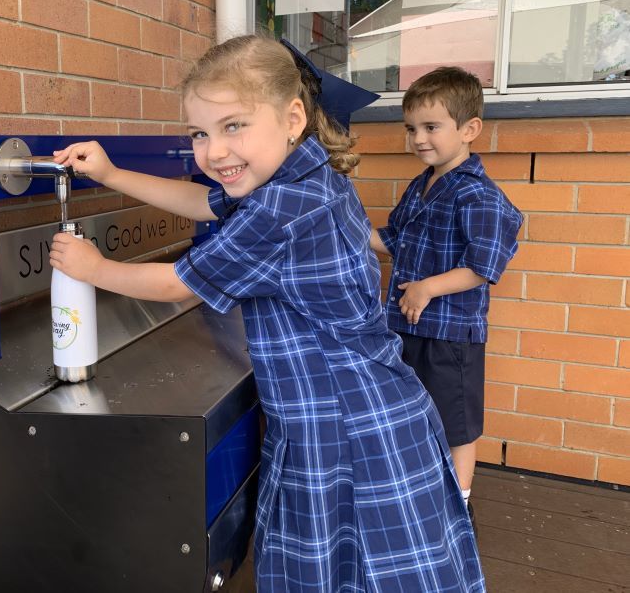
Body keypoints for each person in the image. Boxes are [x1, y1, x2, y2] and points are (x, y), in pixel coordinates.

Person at [50, 35, 485, 592]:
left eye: (234, 126)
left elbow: (177, 282)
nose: (214, 151)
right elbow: (204, 202)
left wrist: (94, 268)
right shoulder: (302, 177)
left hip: (343, 426)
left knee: (344, 573)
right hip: (362, 409)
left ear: (293, 118)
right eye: (200, 133)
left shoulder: (283, 208)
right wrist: (110, 175)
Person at [370, 66, 523, 531]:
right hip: (405, 325)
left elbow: (484, 266)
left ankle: (458, 505)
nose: (418, 138)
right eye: (411, 128)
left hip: (450, 334)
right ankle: (419, 494)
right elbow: (393, 239)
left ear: (469, 129)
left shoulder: (479, 195)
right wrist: (344, 231)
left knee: (455, 423)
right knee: (412, 412)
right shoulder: (422, 184)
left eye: (431, 127)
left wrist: (428, 286)